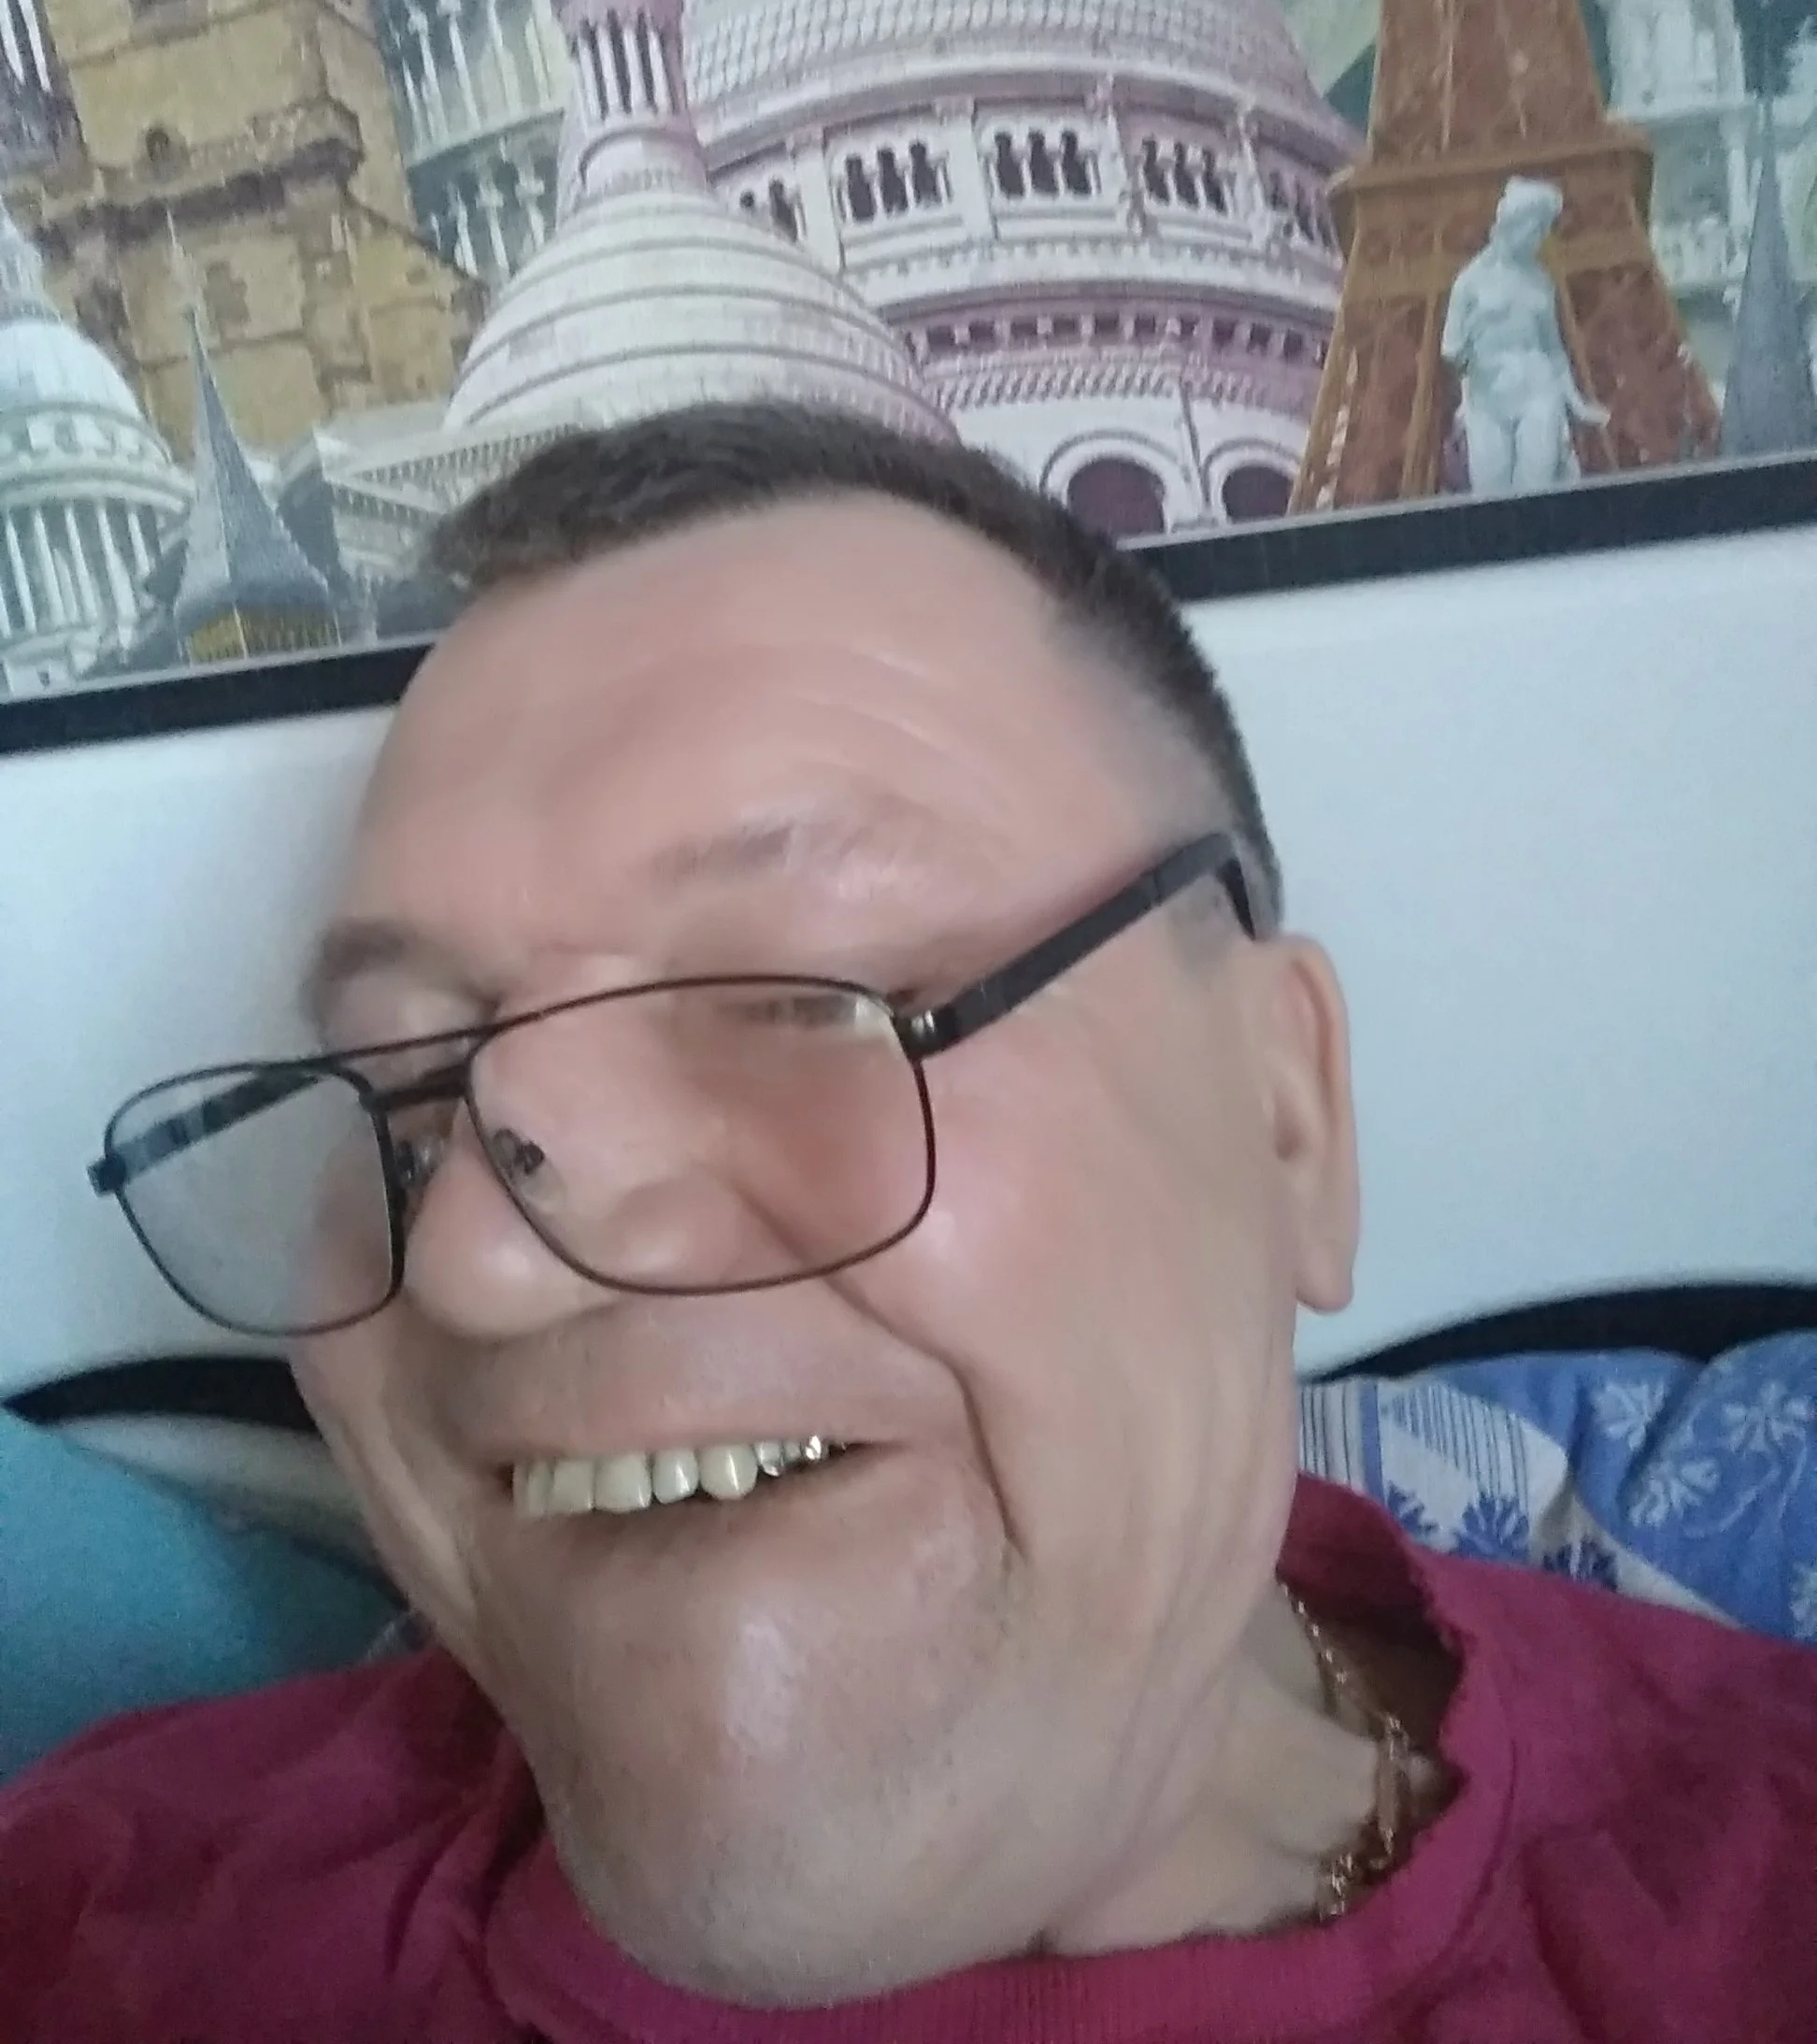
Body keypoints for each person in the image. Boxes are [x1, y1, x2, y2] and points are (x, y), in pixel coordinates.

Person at [5, 406, 1814, 2043]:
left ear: (1286, 1120)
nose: (481, 1262)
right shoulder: (103, 1926)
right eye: (400, 1091)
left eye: (809, 997)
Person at [1441, 177, 1612, 494]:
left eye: (1544, 230)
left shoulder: (1541, 281)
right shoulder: (1469, 282)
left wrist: (1577, 403)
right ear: (1513, 224)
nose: (1540, 239)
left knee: (1536, 492)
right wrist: (1465, 351)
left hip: (1538, 394)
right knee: (1491, 496)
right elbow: (1451, 349)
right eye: (1536, 230)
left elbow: (1553, 349)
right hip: (1487, 402)